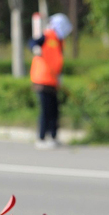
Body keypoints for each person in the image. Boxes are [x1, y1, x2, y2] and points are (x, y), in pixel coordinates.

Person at [29, 13, 72, 150]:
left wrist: (60, 76)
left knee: (55, 111)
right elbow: (32, 42)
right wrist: (35, 48)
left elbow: (57, 60)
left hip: (53, 80)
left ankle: (53, 137)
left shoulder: (59, 41)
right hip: (42, 80)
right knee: (45, 111)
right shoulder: (47, 35)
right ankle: (41, 138)